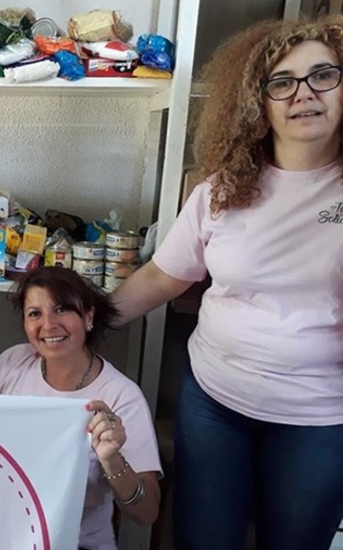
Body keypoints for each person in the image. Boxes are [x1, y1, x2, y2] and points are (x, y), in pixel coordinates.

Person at [111, 18, 343, 550]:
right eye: (281, 82)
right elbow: (161, 277)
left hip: (321, 417)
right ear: (256, 102)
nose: (302, 94)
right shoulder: (222, 190)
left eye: (322, 76)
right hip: (216, 403)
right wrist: (82, 321)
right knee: (202, 539)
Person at [0, 267, 161, 550]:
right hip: (4, 536)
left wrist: (111, 460)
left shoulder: (120, 396)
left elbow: (146, 513)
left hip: (76, 543)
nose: (48, 325)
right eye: (35, 313)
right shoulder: (12, 364)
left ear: (88, 317)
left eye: (61, 309)